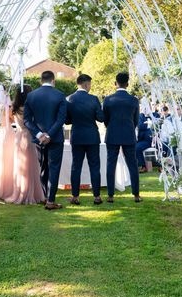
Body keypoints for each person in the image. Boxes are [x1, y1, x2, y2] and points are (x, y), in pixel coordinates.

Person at [24, 71, 67, 210]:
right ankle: (50, 200)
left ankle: (45, 197)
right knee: (54, 168)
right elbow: (61, 119)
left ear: (40, 81)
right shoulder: (60, 95)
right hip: (55, 138)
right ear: (53, 80)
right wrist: (49, 135)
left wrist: (39, 134)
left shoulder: (31, 96)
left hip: (39, 139)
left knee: (43, 167)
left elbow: (27, 120)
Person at [66, 74, 104, 205]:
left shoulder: (69, 99)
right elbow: (100, 118)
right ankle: (97, 196)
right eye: (90, 84)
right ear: (86, 84)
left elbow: (67, 120)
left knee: (76, 167)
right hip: (92, 137)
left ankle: (75, 196)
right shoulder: (93, 99)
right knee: (95, 166)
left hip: (77, 137)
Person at [103, 72, 141, 203]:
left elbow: (105, 120)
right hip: (128, 135)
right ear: (128, 84)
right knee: (133, 165)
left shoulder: (108, 99)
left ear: (115, 83)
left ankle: (110, 195)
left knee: (110, 164)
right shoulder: (134, 100)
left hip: (112, 134)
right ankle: (136, 194)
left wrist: (111, 126)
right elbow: (136, 120)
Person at [5, 85, 45, 205]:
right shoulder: (31, 107)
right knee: (31, 166)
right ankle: (30, 193)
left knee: (20, 165)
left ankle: (20, 191)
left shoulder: (15, 107)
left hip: (18, 136)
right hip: (28, 136)